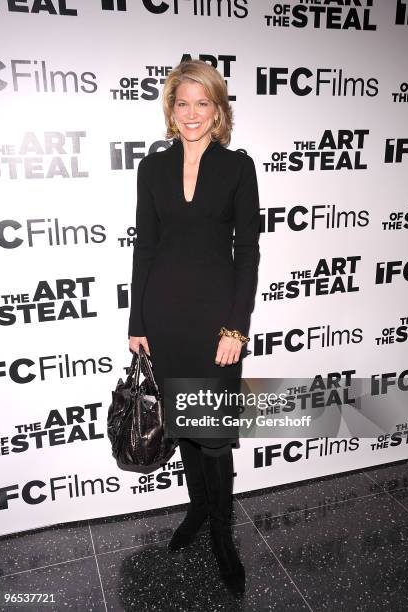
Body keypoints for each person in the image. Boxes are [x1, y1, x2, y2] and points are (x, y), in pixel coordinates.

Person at [128, 59, 260, 597]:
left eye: (201, 103)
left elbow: (247, 252)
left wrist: (237, 327)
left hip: (215, 324)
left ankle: (223, 538)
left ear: (218, 108)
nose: (190, 114)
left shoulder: (237, 167)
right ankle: (198, 511)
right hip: (164, 317)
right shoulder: (150, 170)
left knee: (215, 437)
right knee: (183, 425)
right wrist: (137, 320)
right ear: (171, 109)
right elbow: (145, 247)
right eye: (181, 103)